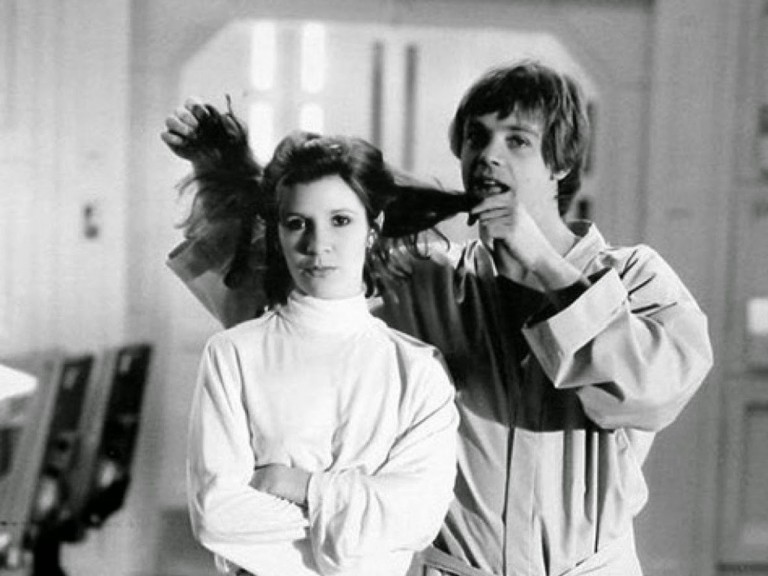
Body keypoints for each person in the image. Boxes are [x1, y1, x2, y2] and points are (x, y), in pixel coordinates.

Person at [163, 60, 713, 575]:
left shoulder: (635, 278)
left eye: (517, 140)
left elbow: (653, 391)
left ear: (562, 165)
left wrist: (545, 265)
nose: (489, 155)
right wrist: (223, 172)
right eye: (477, 137)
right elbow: (286, 287)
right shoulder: (428, 279)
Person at [184, 128, 459, 576]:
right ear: (278, 232)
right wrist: (362, 524)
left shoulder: (417, 369)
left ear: (373, 228)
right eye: (297, 223)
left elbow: (419, 519)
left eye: (340, 220)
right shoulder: (233, 354)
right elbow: (215, 515)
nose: (317, 245)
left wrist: (296, 485)